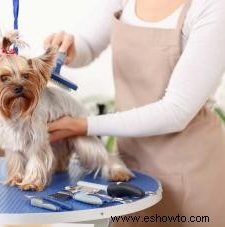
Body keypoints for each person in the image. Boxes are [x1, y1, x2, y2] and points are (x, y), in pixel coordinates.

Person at [45, 0, 225, 226]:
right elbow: (88, 45)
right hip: (130, 165)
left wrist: (83, 125)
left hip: (190, 170)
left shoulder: (211, 7)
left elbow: (176, 111)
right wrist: (71, 48)